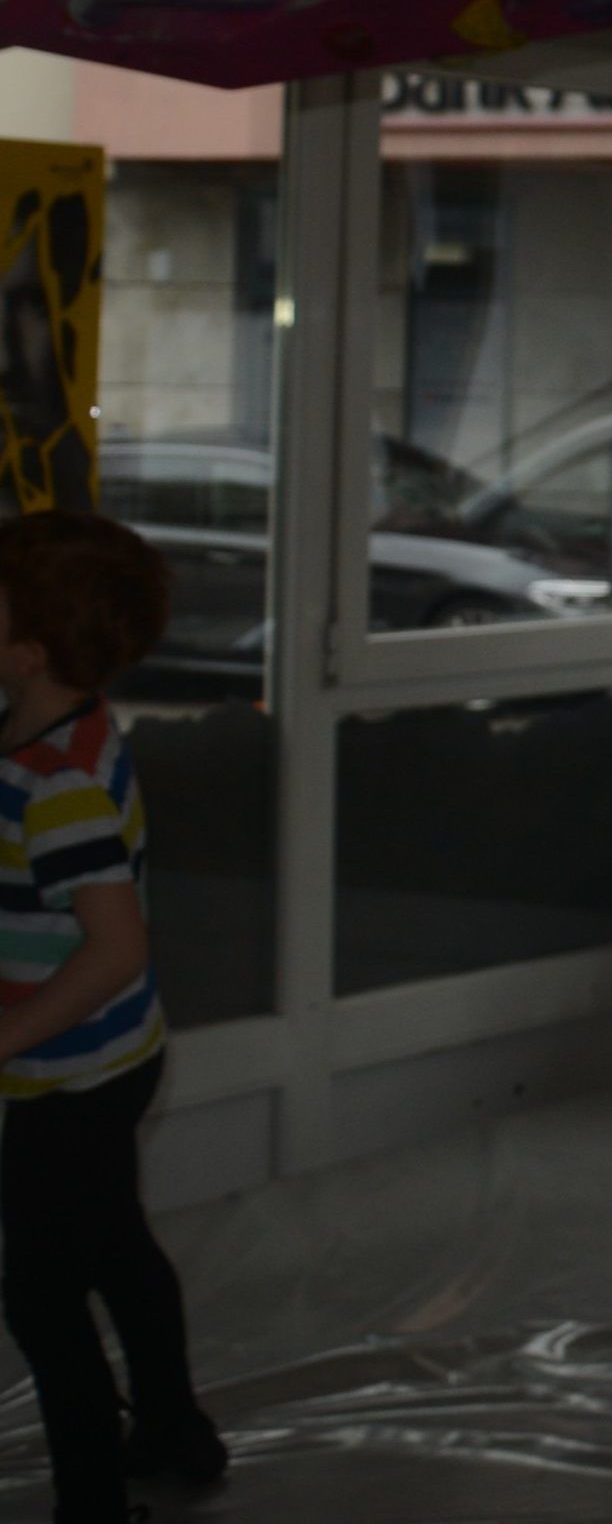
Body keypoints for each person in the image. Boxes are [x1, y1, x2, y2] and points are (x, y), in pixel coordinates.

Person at [0, 511, 224, 1524]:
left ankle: (93, 1501)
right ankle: (176, 1429)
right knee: (117, 1246)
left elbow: (115, 946)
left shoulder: (59, 780)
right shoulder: (49, 720)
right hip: (104, 1057)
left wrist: (4, 1038)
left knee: (42, 1297)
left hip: (73, 1073)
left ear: (29, 648)